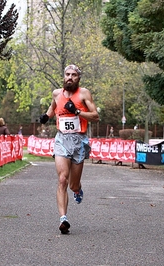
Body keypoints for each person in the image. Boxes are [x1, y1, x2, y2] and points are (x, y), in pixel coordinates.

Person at [39, 64, 99, 234]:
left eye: (73, 75)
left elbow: (95, 116)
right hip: (62, 139)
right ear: (63, 76)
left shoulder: (84, 93)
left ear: (78, 78)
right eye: (67, 74)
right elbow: (52, 108)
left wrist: (78, 112)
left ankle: (78, 190)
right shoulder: (57, 93)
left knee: (72, 184)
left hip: (79, 141)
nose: (70, 77)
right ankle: (63, 219)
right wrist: (46, 116)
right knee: (62, 179)